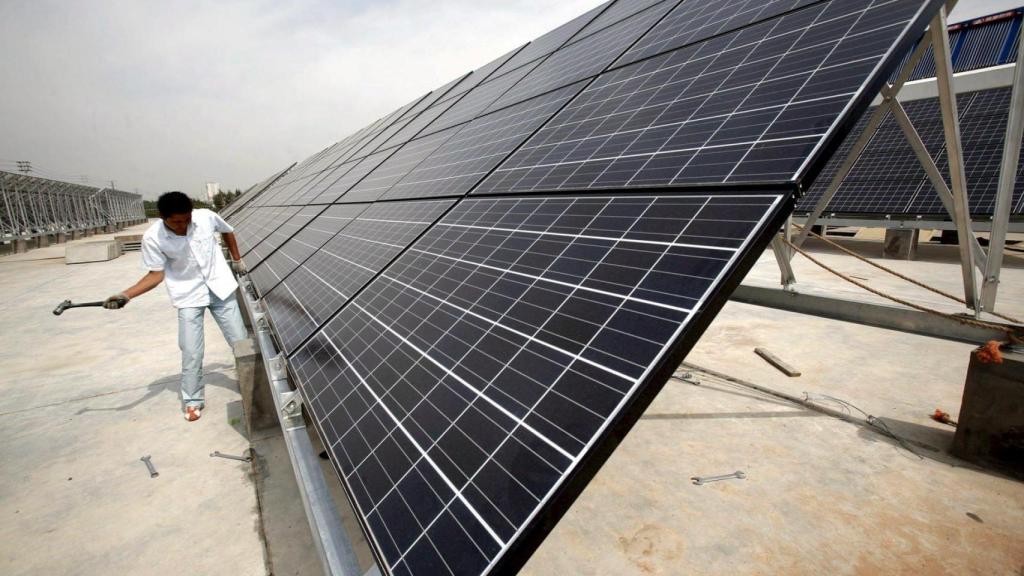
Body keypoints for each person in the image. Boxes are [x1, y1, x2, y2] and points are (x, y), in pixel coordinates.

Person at [104, 191, 248, 422]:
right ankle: (192, 400)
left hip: (220, 288)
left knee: (241, 343)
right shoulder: (153, 238)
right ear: (163, 217)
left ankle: (253, 384)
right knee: (191, 350)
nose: (182, 225)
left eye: (186, 220)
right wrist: (126, 295)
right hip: (188, 295)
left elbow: (228, 230)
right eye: (176, 222)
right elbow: (155, 275)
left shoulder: (205, 217)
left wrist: (236, 259)